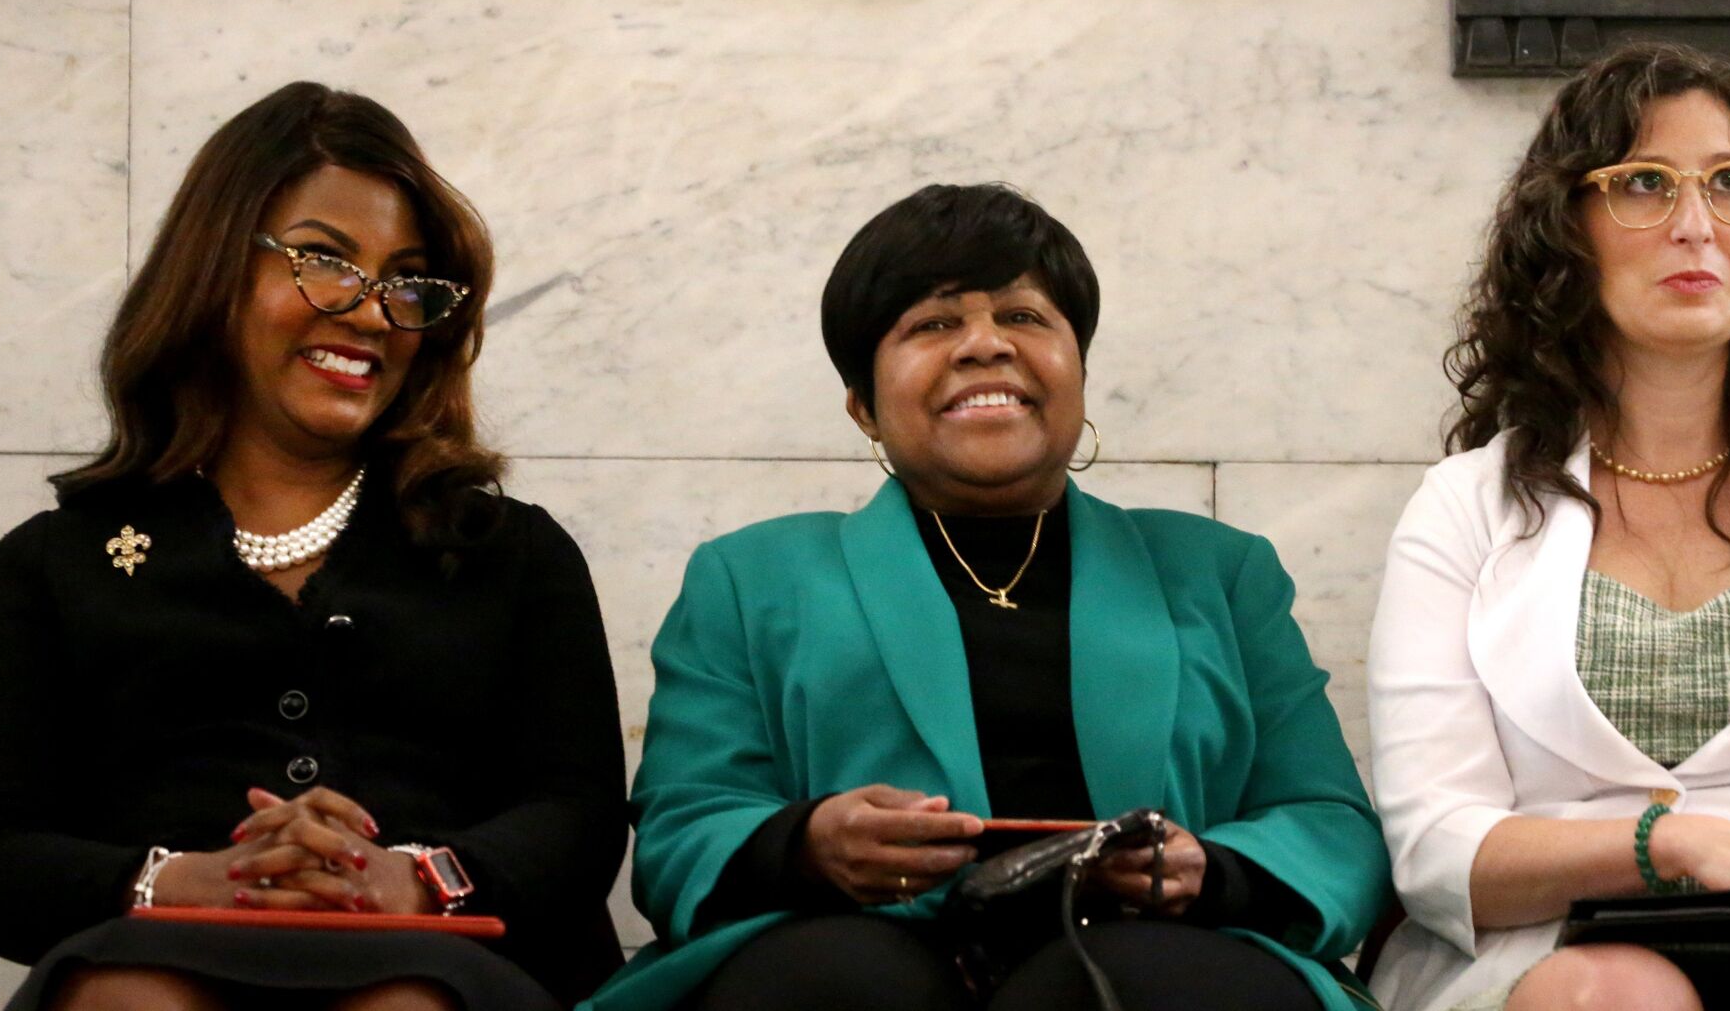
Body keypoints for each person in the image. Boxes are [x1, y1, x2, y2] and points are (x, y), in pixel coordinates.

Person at [585, 183, 1389, 1011]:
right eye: (932, 324)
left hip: (1157, 957)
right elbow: (683, 827)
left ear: (1076, 372)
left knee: (1139, 982)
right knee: (843, 983)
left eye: (1024, 317)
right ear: (863, 405)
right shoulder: (751, 577)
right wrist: (810, 844)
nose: (985, 346)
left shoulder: (1219, 570)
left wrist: (1204, 873)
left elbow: (1326, 821)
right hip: (846, 954)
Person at [0, 82, 626, 1011]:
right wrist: (186, 881)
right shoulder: (49, 567)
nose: (373, 314)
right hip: (152, 961)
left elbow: (578, 818)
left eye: (405, 282)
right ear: (215, 268)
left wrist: (418, 879)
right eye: (325, 262)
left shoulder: (511, 553)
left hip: (440, 968)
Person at [1365, 42, 1730, 1011]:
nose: (1696, 225)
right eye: (1643, 183)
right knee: (1612, 996)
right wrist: (1668, 844)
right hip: (1557, 945)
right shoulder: (1461, 508)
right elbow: (1439, 843)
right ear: (1566, 227)